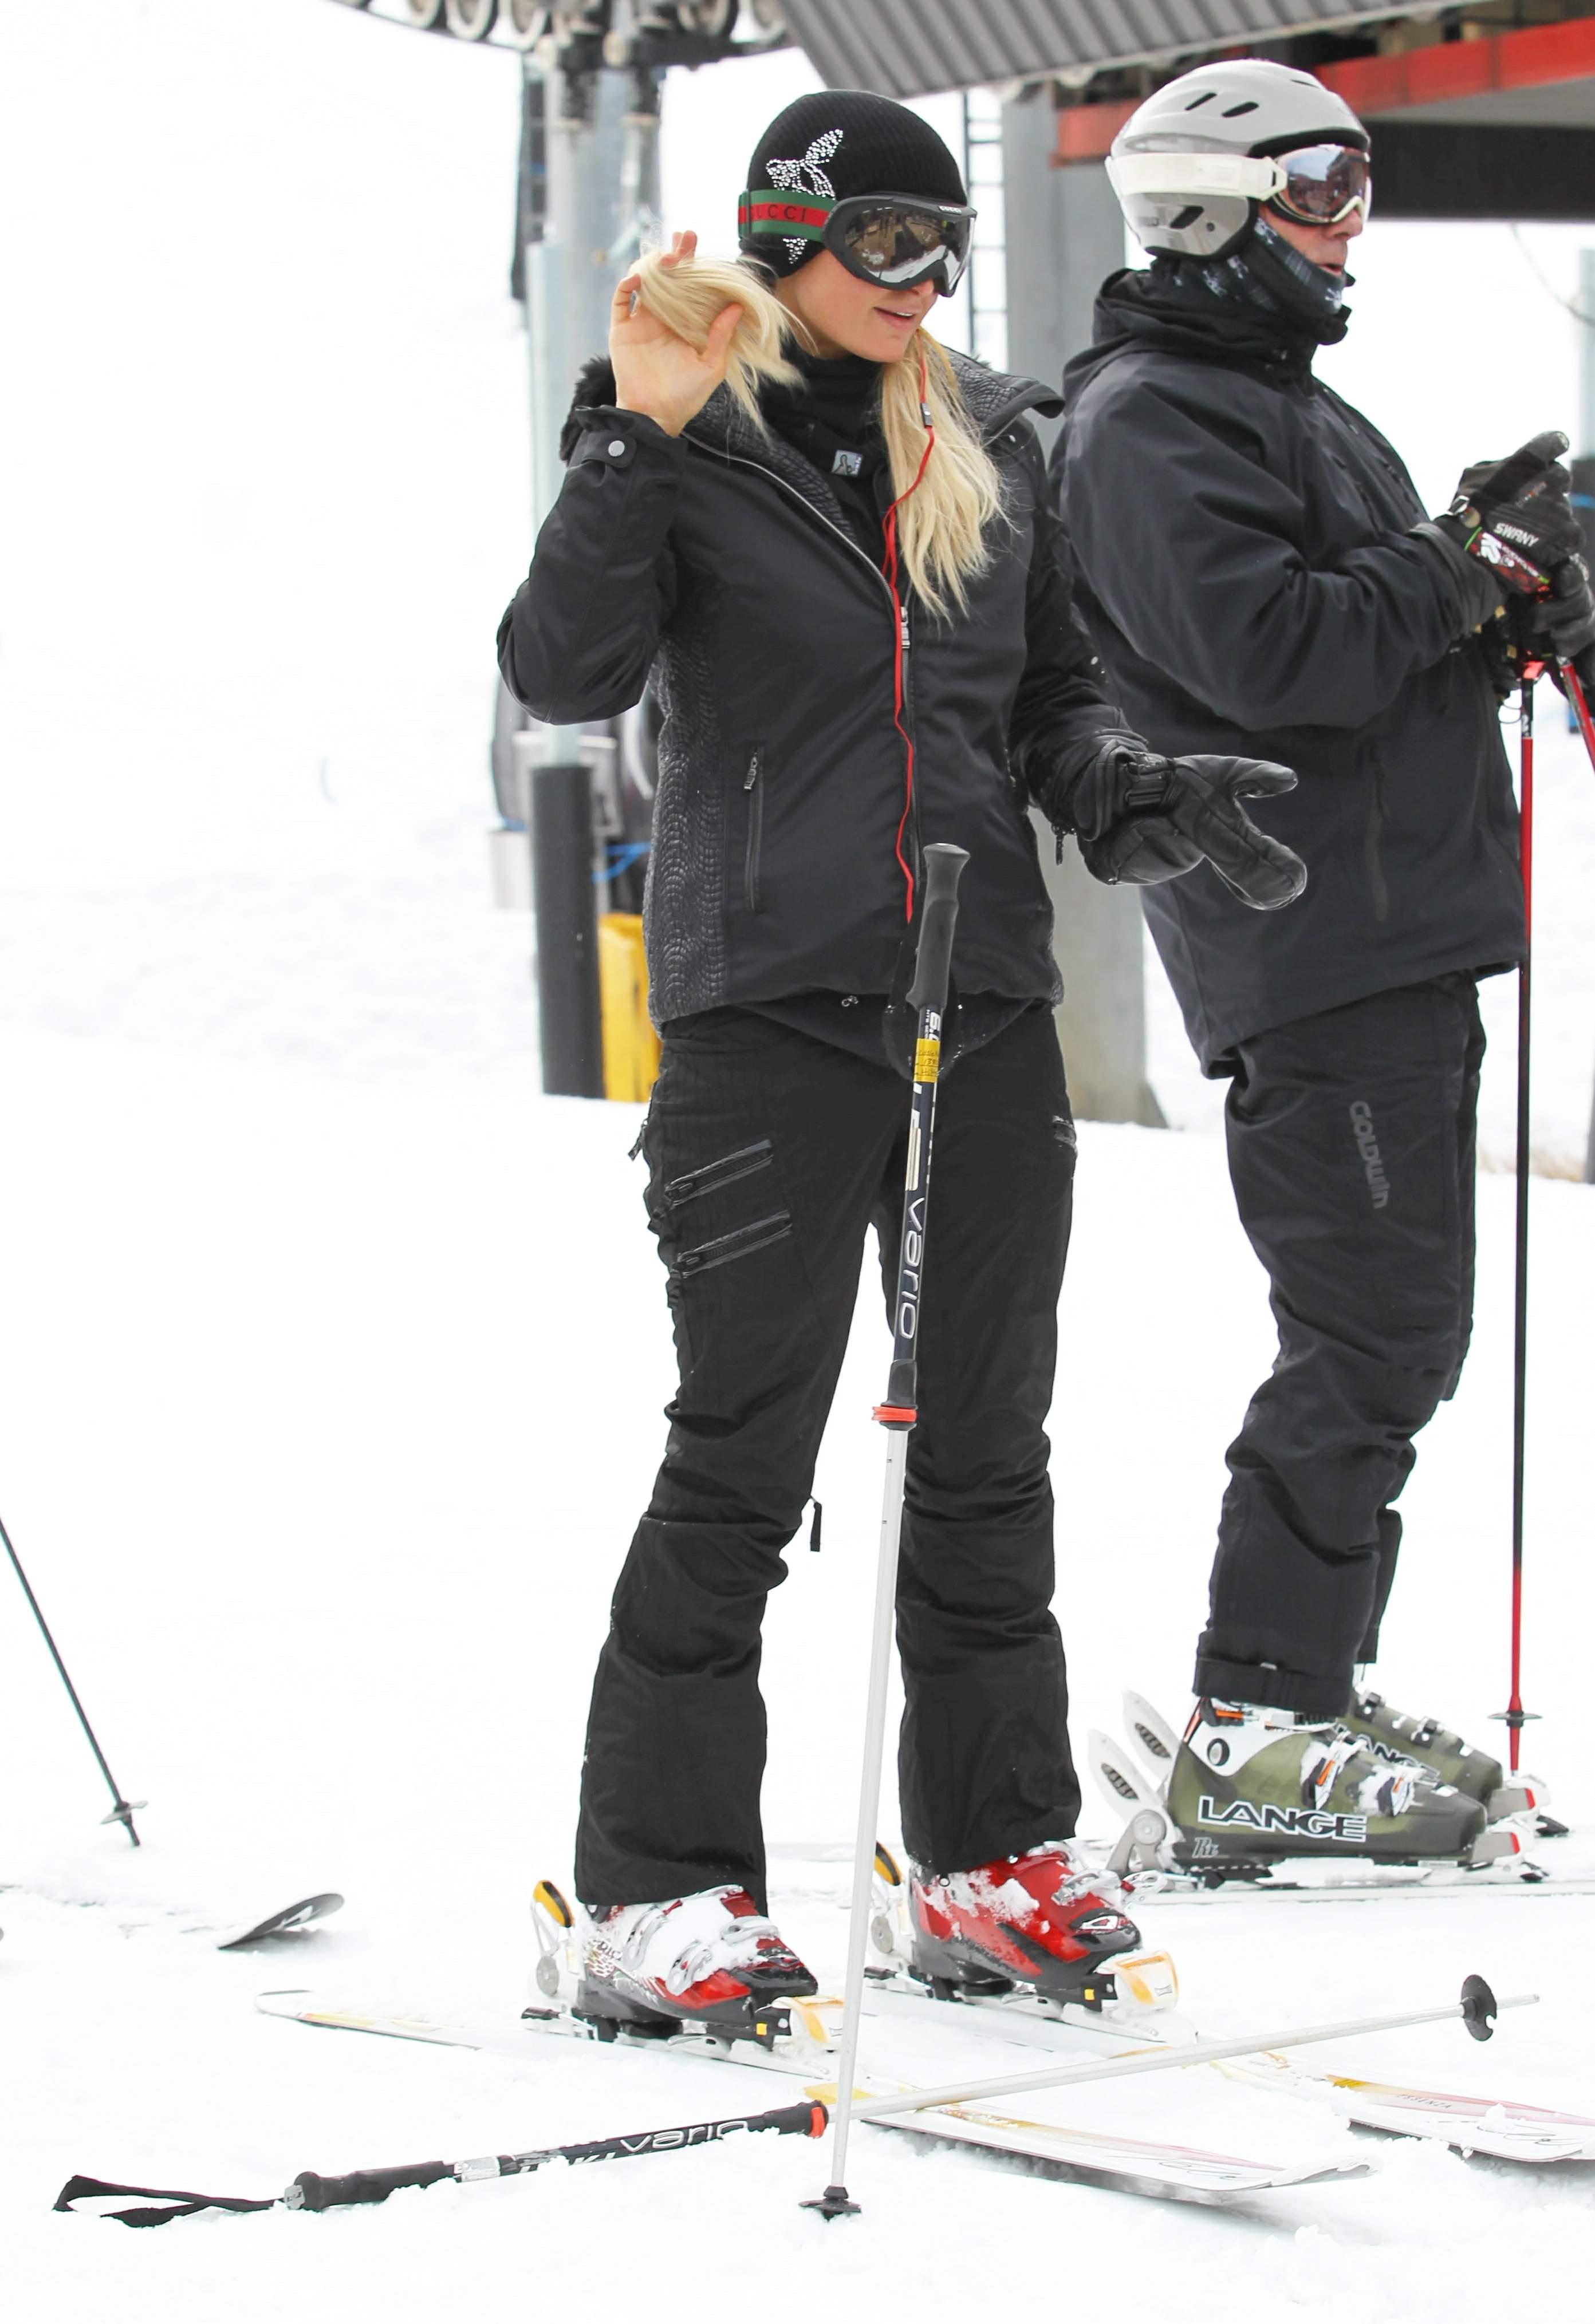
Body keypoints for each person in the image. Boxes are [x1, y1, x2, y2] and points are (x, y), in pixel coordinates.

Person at [498, 89, 1302, 2030]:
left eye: (944, 247)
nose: (921, 283)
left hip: (984, 1007)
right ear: (785, 239)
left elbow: (1044, 694)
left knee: (981, 1451)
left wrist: (1123, 793)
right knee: (744, 1458)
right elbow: (561, 667)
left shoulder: (994, 437)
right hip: (767, 1010)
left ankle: (988, 1855)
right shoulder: (683, 442)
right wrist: (627, 431)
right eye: (883, 246)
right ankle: (655, 1894)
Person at [1055, 57, 1595, 1873]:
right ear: (1204, 208)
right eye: (1314, 189)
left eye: (1357, 188)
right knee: (1366, 1332)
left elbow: (1367, 639)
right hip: (1311, 939)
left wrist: (1501, 589)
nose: (1343, 228)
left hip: (1385, 930)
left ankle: (1299, 1692)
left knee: (1391, 1329)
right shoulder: (1148, 419)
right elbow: (1267, 650)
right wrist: (1454, 574)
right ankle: (1260, 1712)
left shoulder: (1273, 405)